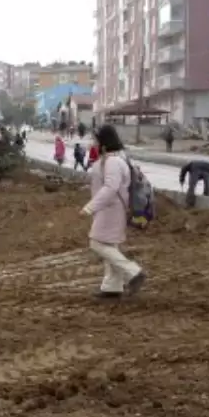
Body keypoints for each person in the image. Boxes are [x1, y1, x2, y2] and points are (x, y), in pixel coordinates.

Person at [80, 125, 146, 299]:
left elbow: (111, 188)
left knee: (97, 243)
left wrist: (90, 207)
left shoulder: (113, 162)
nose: (92, 143)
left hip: (110, 209)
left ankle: (133, 272)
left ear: (103, 142)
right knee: (109, 245)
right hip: (110, 209)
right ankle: (112, 286)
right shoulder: (112, 159)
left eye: (95, 139)